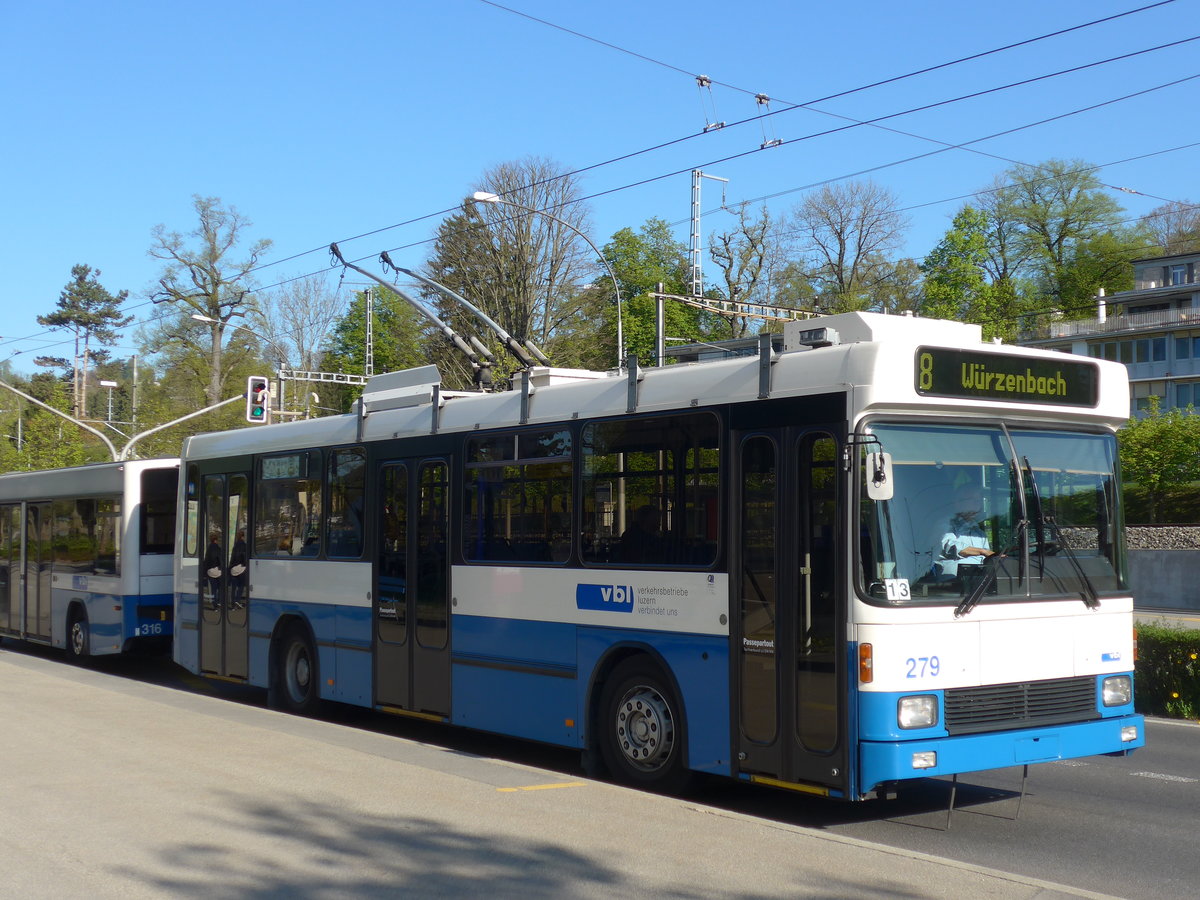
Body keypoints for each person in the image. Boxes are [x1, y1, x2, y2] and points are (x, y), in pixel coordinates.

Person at [938, 486, 993, 577]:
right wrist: (982, 551)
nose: (977, 504)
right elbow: (949, 546)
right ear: (958, 503)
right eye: (973, 500)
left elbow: (987, 558)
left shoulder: (979, 533)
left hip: (979, 583)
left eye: (979, 501)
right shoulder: (945, 524)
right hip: (950, 584)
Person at [228, 529, 248, 607]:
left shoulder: (235, 546)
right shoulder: (244, 545)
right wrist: (245, 564)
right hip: (241, 568)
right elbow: (244, 556)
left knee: (233, 587)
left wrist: (231, 566)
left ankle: (233, 603)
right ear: (243, 537)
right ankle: (238, 600)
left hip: (233, 568)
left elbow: (232, 557)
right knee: (241, 585)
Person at [203, 532, 223, 607]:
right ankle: (219, 602)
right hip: (217, 570)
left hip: (210, 571)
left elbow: (206, 561)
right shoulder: (218, 548)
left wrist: (204, 573)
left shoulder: (208, 549)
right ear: (216, 540)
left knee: (213, 588)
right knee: (220, 587)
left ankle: (215, 605)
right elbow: (220, 559)